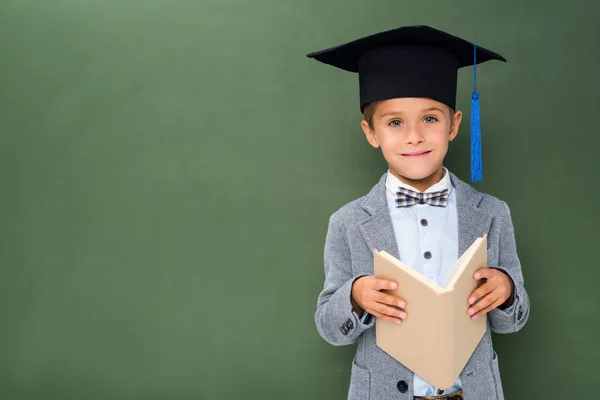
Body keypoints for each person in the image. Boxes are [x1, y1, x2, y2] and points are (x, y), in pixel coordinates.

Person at [307, 25, 530, 400]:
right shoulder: (347, 222)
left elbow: (512, 322)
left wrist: (506, 291)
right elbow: (329, 327)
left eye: (430, 119)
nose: (414, 136)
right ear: (371, 132)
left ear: (454, 125)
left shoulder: (492, 213)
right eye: (395, 122)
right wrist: (356, 296)